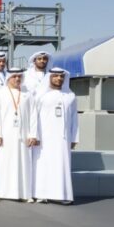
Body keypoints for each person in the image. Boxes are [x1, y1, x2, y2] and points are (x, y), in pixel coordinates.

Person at [0, 68, 38, 203]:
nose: (17, 79)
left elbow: (33, 115)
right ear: (8, 78)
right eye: (14, 77)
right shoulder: (0, 93)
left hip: (23, 135)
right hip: (5, 135)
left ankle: (24, 194)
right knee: (3, 163)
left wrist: (32, 135)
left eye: (19, 77)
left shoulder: (27, 94)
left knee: (23, 163)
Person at [33, 67, 78, 205]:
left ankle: (61, 195)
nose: (59, 79)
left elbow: (75, 118)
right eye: (56, 76)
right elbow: (33, 117)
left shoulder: (70, 96)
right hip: (44, 138)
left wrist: (74, 138)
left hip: (63, 139)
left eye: (61, 77)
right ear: (50, 77)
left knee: (61, 165)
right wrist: (34, 135)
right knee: (43, 165)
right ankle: (41, 194)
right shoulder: (40, 95)